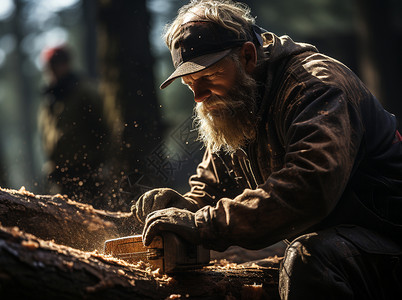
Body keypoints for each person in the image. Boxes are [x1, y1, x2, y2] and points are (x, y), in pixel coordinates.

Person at [131, 0, 402, 298]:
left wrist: (201, 223)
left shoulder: (316, 86)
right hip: (347, 244)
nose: (198, 96)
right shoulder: (238, 101)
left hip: (389, 240)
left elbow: (309, 190)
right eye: (189, 82)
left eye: (208, 76)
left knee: (310, 259)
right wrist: (182, 207)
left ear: (247, 56)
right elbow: (213, 188)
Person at [38, 45, 111, 207]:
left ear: (67, 63)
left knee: (97, 216)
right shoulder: (49, 99)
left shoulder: (85, 91)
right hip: (61, 174)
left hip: (88, 172)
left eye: (59, 63)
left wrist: (101, 164)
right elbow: (47, 136)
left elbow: (104, 129)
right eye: (51, 65)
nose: (55, 69)